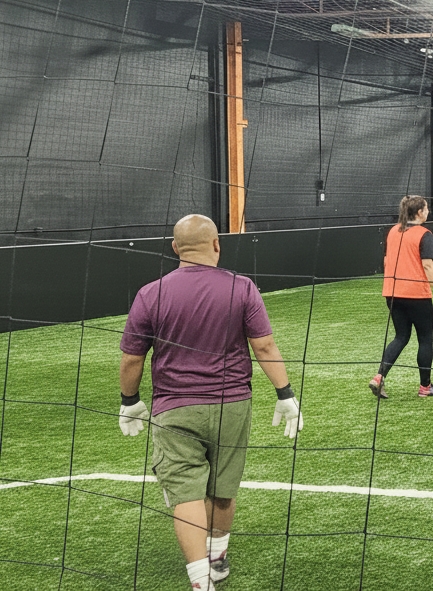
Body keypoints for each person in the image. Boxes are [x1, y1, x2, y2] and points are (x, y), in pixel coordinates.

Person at [118, 214, 302, 591]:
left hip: (174, 408)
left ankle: (201, 581)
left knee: (186, 492)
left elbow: (132, 358)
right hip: (232, 404)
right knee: (223, 485)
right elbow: (264, 346)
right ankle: (217, 559)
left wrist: (130, 401)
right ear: (217, 245)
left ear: (175, 248)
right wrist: (285, 394)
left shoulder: (150, 293)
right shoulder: (242, 287)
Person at [369, 195, 433, 399]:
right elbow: (428, 265)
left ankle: (379, 377)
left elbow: (387, 261)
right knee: (425, 339)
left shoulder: (393, 231)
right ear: (419, 212)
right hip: (417, 295)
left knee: (401, 336)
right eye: (426, 208)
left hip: (392, 293)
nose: (428, 211)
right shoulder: (425, 234)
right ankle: (425, 387)